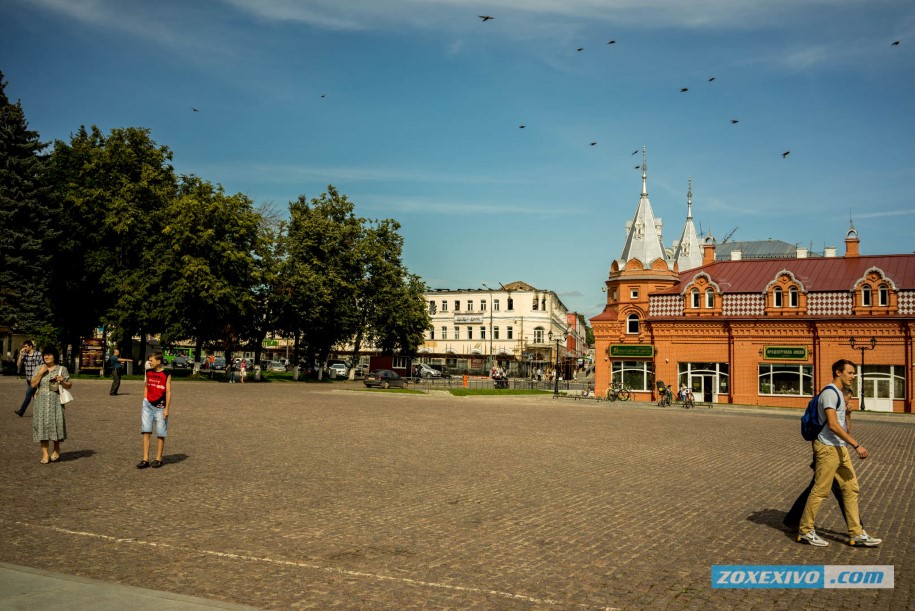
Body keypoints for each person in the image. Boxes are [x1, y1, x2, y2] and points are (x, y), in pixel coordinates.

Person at [797, 359, 881, 547]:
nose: (853, 376)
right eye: (850, 372)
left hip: (839, 447)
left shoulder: (840, 396)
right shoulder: (829, 393)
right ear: (838, 372)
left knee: (851, 488)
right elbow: (833, 425)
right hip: (827, 448)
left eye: (853, 373)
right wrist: (856, 445)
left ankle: (856, 533)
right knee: (820, 490)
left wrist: (849, 416)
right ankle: (805, 531)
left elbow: (844, 428)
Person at [784, 387, 862, 530]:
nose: (849, 402)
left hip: (836, 451)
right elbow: (832, 428)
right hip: (827, 452)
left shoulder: (840, 411)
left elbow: (847, 432)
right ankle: (857, 528)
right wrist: (856, 445)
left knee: (817, 487)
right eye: (848, 399)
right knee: (840, 490)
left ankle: (792, 519)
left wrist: (848, 415)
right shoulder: (830, 406)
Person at [31, 346, 71, 464]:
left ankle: (56, 448)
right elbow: (33, 385)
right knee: (42, 426)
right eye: (45, 355)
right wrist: (40, 373)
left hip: (56, 402)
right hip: (41, 402)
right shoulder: (39, 368)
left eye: (49, 355)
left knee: (56, 425)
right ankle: (44, 454)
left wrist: (62, 381)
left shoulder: (61, 369)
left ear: (55, 356)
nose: (46, 357)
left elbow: (69, 385)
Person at [137, 351, 171, 469]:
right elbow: (146, 386)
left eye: (151, 360)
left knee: (160, 433)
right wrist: (145, 399)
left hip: (160, 407)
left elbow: (168, 392)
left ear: (158, 361)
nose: (149, 362)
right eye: (149, 360)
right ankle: (145, 459)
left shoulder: (166, 374)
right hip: (147, 405)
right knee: (146, 431)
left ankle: (158, 459)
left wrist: (167, 409)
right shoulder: (148, 372)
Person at [15, 340, 42, 417]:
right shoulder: (25, 355)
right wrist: (20, 354)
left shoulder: (38, 354)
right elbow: (18, 364)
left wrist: (39, 377)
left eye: (26, 346)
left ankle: (21, 411)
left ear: (30, 346)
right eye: (23, 346)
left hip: (37, 379)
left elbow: (43, 366)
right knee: (35, 396)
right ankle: (42, 411)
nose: (24, 348)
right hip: (29, 380)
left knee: (28, 395)